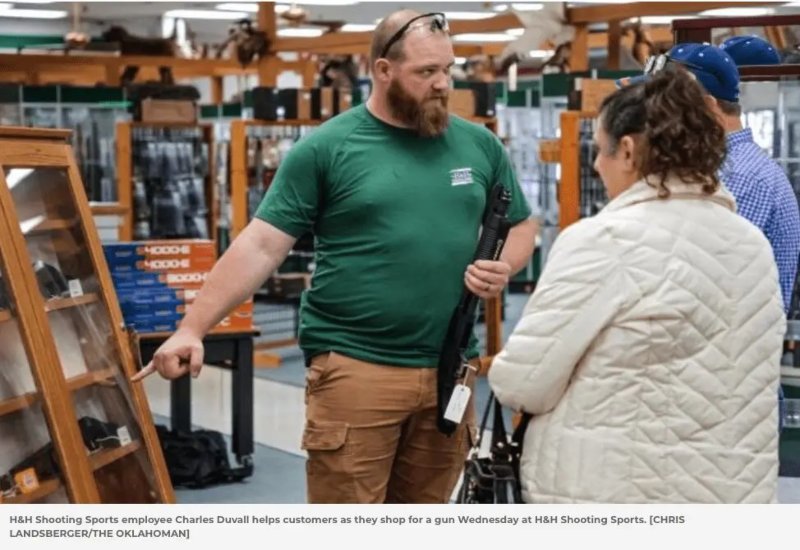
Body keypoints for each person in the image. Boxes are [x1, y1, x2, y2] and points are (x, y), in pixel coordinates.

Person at [133, 10, 536, 504]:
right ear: (383, 70)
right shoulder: (327, 148)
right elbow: (260, 244)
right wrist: (193, 327)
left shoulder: (479, 145)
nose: (442, 84)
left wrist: (506, 265)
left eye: (448, 69)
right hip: (355, 368)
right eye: (426, 72)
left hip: (452, 366)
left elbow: (521, 221)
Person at [489, 70, 785, 503]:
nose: (594, 163)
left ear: (627, 151)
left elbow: (524, 383)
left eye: (599, 147)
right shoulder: (751, 245)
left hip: (617, 495)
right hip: (733, 497)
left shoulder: (604, 242)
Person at [669, 42, 800, 313]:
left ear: (707, 106)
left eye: (670, 106)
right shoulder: (722, 169)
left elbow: (701, 281)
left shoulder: (739, 176)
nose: (660, 118)